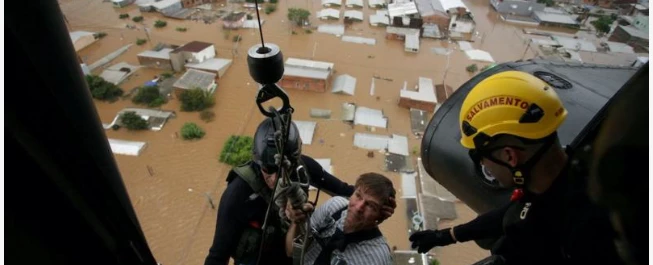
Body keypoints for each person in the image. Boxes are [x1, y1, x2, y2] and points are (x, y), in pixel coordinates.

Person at [409, 71, 624, 265]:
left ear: (509, 155)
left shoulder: (585, 234)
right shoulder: (564, 177)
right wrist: (448, 235)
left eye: (479, 156)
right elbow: (514, 212)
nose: (483, 165)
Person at [204, 118, 396, 265]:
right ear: (257, 162)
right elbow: (217, 256)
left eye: (282, 171)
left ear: (293, 162)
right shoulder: (238, 194)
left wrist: (379, 206)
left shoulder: (303, 169)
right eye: (267, 170)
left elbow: (348, 192)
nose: (275, 179)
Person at [285, 173, 396, 265]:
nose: (358, 208)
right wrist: (298, 221)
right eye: (358, 196)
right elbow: (291, 251)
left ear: (380, 216)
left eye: (370, 206)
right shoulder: (334, 208)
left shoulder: (378, 258)